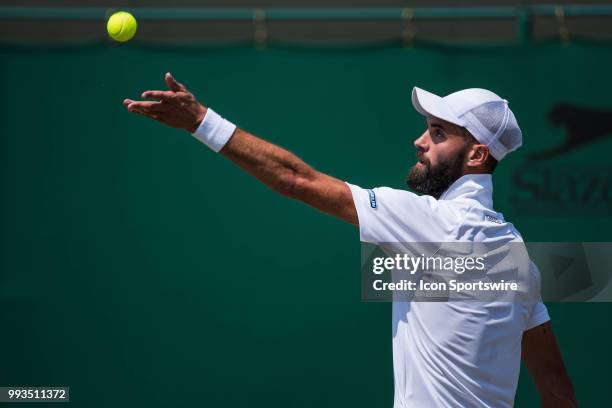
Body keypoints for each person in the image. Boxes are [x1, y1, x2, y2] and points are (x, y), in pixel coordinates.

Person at [123, 73, 577, 407]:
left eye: (438, 134)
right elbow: (553, 380)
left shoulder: (432, 225)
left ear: (477, 154)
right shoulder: (515, 254)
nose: (420, 141)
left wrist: (201, 121)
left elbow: (295, 180)